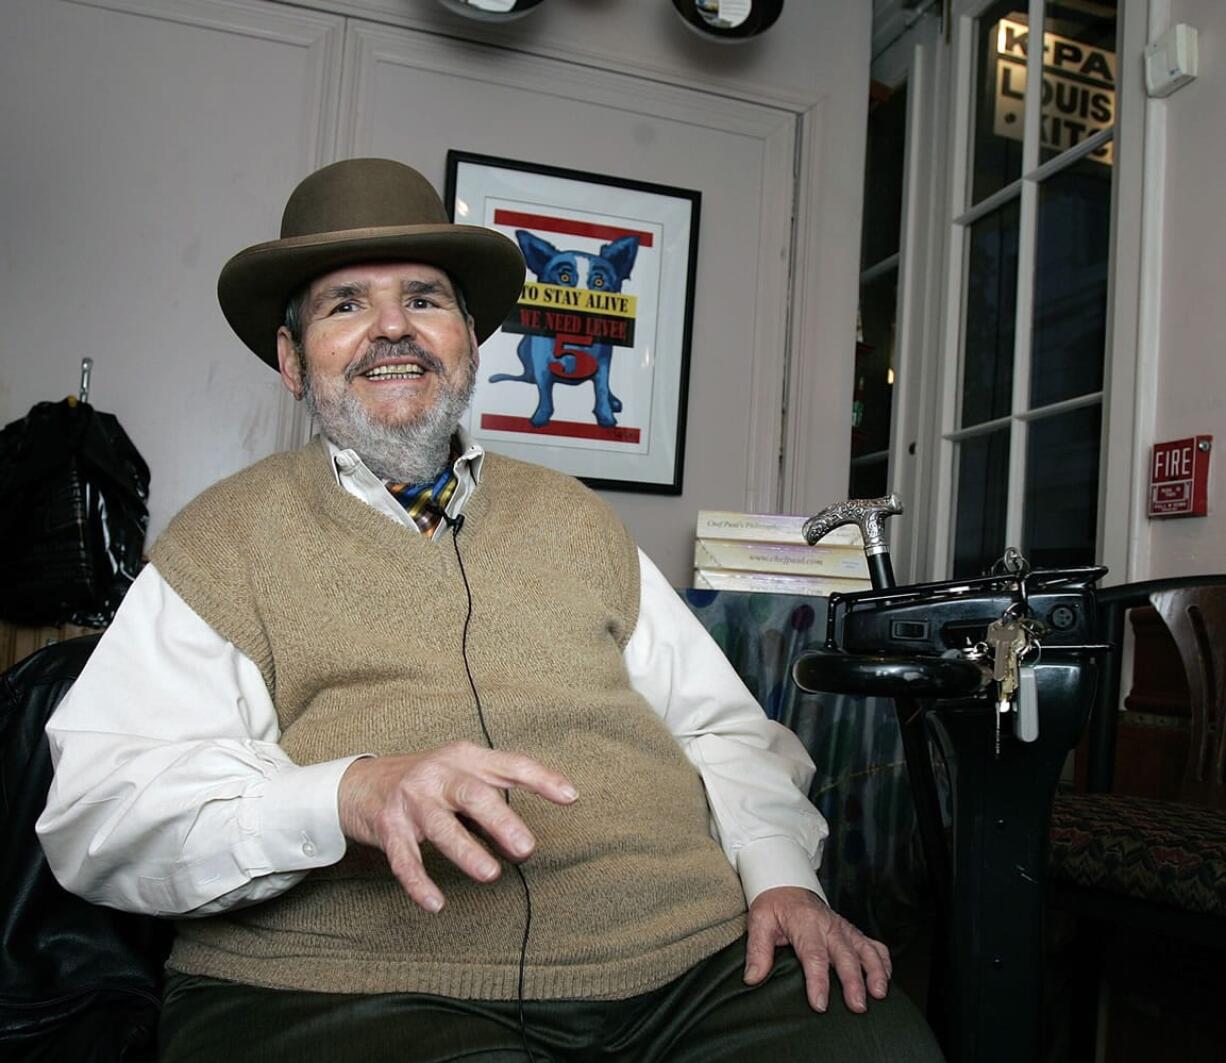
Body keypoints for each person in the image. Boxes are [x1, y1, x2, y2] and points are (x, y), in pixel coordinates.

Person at [36, 158, 943, 1062]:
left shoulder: (576, 517)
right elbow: (99, 810)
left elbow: (725, 734)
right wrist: (347, 793)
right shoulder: (221, 543)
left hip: (690, 973)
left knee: (884, 1048)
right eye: (346, 305)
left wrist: (785, 884)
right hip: (348, 990)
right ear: (289, 358)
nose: (394, 327)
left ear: (470, 339)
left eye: (425, 299)